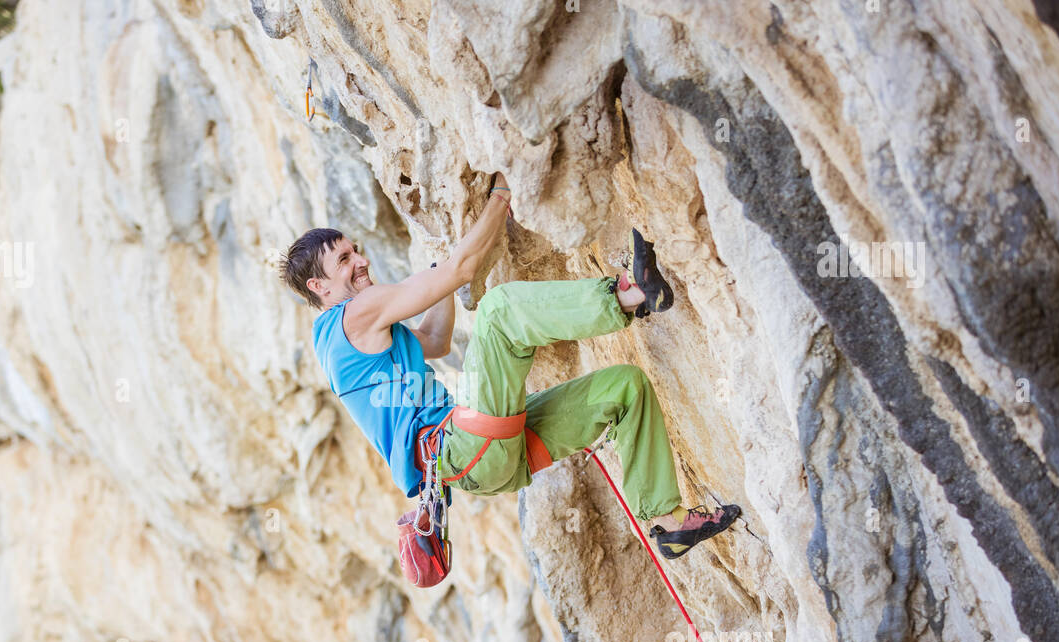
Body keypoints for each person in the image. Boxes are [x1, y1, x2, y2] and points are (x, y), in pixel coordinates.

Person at [279, 173, 738, 559]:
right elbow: (460, 272)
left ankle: (669, 522)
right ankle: (630, 293)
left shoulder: (342, 342)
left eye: (356, 250)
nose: (361, 261)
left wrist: (447, 271)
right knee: (498, 311)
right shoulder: (355, 313)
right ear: (319, 286)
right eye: (344, 260)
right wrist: (503, 191)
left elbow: (435, 340)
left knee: (626, 387)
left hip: (480, 462)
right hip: (460, 449)